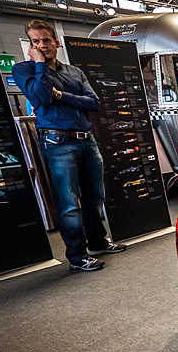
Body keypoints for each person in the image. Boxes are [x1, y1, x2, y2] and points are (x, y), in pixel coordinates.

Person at [12, 19, 126, 272]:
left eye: (46, 40)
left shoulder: (74, 72)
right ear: (30, 46)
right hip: (57, 142)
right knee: (69, 204)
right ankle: (77, 256)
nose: (42, 45)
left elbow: (94, 103)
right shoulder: (23, 70)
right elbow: (42, 96)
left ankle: (97, 242)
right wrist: (40, 65)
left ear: (56, 42)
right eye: (36, 42)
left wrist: (62, 96)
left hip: (87, 139)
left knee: (95, 196)